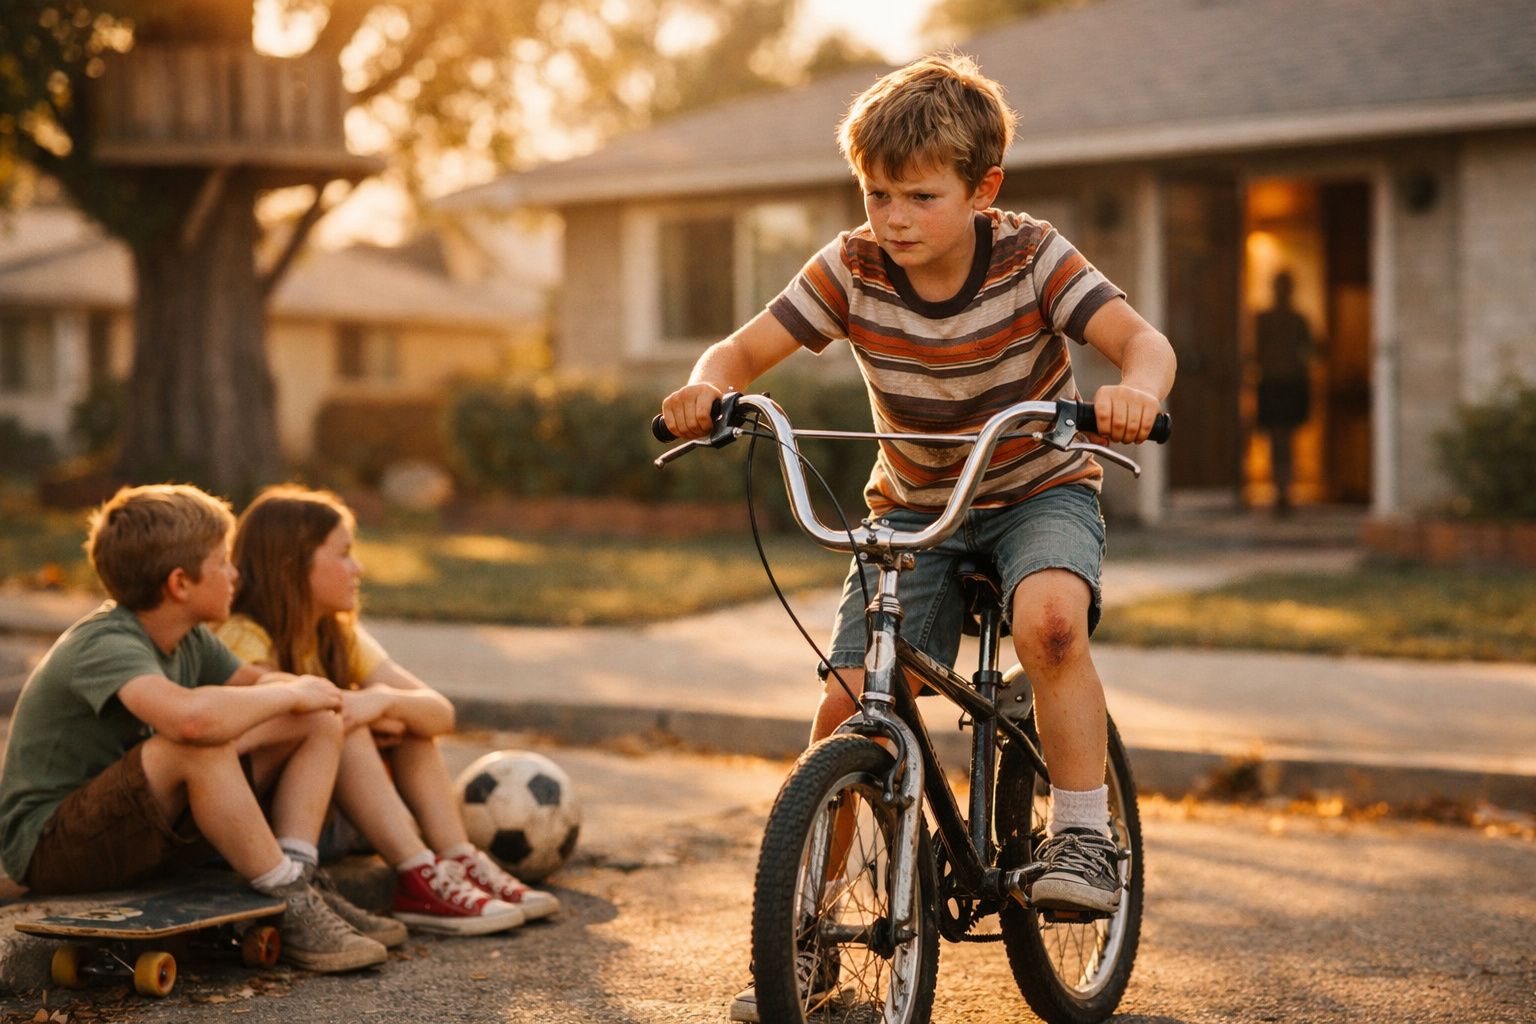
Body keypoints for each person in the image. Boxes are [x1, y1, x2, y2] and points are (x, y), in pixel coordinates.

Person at [657, 53, 1176, 1021]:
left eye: (921, 196)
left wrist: (1135, 394)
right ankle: (804, 936)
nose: (894, 218)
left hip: (1036, 486)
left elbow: (1144, 343)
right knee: (849, 702)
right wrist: (707, 386)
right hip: (913, 509)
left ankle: (1079, 834)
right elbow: (739, 350)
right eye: (877, 193)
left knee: (1050, 624)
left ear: (984, 190)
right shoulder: (851, 267)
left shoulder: (1033, 255)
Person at [0, 484, 387, 973]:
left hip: (134, 827)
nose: (235, 574)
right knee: (197, 743)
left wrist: (323, 698)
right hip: (52, 847)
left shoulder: (190, 638)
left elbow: (260, 684)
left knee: (312, 718)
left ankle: (300, 883)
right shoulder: (105, 641)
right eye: (223, 562)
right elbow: (189, 720)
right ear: (180, 583)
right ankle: (289, 897)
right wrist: (290, 692)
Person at [215, 485, 560, 937]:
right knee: (345, 719)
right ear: (291, 567)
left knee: (409, 726)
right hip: (274, 830)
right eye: (343, 554)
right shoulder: (243, 636)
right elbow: (277, 723)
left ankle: (458, 860)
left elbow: (440, 713)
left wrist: (382, 702)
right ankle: (417, 875)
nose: (357, 568)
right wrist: (359, 712)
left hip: (342, 820)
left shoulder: (339, 635)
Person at [1254, 270, 1316, 514]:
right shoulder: (1264, 319)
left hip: (1292, 383)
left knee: (1286, 439)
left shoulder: (1299, 320)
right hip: (1272, 383)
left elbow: (1309, 351)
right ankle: (1280, 490)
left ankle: (1284, 489)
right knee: (1276, 439)